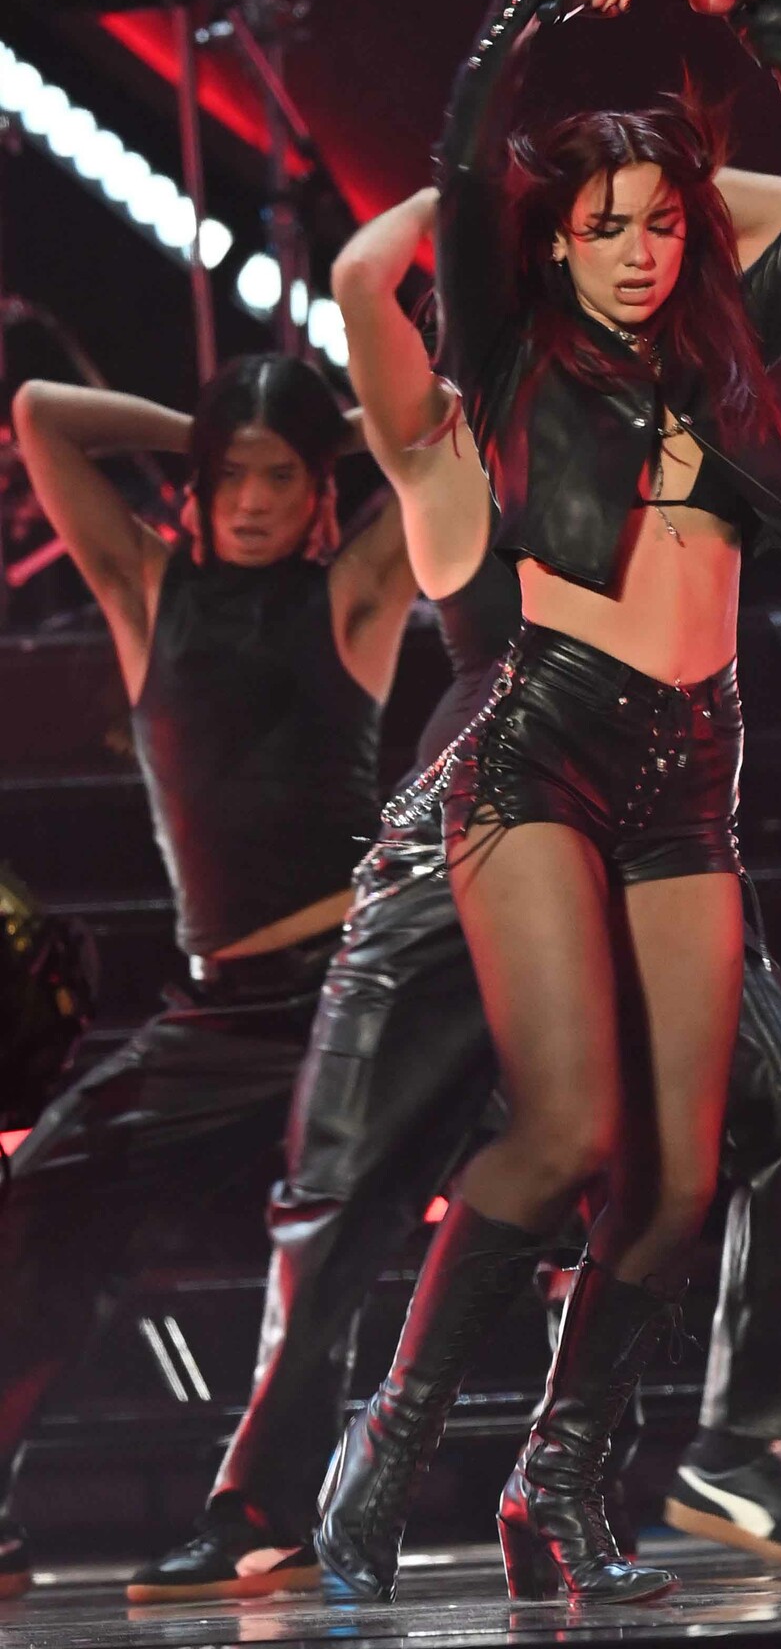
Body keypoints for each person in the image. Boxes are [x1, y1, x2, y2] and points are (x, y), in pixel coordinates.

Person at [127, 175, 781, 1603]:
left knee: (780, 1111)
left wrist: (621, 191)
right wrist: (494, 190)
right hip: (467, 833)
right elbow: (365, 275)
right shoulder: (441, 441)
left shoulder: (648, 407)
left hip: (644, 824)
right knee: (347, 1188)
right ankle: (270, 1501)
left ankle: (670, 1461)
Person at [314, 0, 781, 1606]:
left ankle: (556, 1487)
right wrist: (526, 6)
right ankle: (386, 1443)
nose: (639, 254)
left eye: (661, 223)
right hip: (543, 747)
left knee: (686, 1170)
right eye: (604, 227)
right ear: (553, 241)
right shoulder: (508, 351)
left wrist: (770, 10)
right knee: (571, 1127)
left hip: (693, 772)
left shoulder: (725, 349)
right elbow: (457, 177)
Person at [0, 357, 415, 1602]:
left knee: (336, 1239)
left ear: (317, 488)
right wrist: (213, 426)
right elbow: (40, 415)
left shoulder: (352, 593)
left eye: (278, 475)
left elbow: (449, 434)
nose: (249, 499)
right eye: (227, 475)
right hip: (217, 1011)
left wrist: (330, 432)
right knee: (39, 1192)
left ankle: (266, 1519)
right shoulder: (146, 589)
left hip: (351, 994)